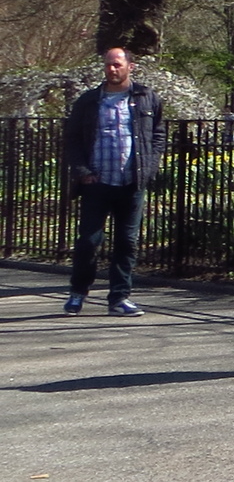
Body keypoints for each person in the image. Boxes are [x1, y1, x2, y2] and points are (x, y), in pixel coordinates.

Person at [61, 47, 166, 316]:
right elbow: (72, 139)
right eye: (108, 65)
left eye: (117, 64)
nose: (111, 69)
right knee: (88, 241)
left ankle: (119, 297)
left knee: (126, 242)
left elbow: (158, 136)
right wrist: (83, 171)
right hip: (97, 182)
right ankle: (77, 293)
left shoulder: (146, 98)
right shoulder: (88, 101)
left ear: (130, 66)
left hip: (131, 183)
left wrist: (149, 168)